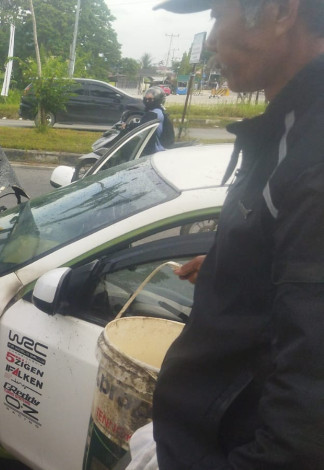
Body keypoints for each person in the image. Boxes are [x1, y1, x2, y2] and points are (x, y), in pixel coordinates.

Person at [125, 0, 324, 467]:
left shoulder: (313, 156)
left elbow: (308, 407)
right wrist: (231, 266)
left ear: (279, 11)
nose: (212, 39)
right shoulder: (291, 128)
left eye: (218, 13)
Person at [129, 86, 174, 155]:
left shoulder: (153, 114)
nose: (147, 101)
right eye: (146, 99)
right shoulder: (158, 110)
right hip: (152, 146)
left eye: (150, 99)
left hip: (154, 151)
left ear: (157, 100)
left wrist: (128, 125)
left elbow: (142, 127)